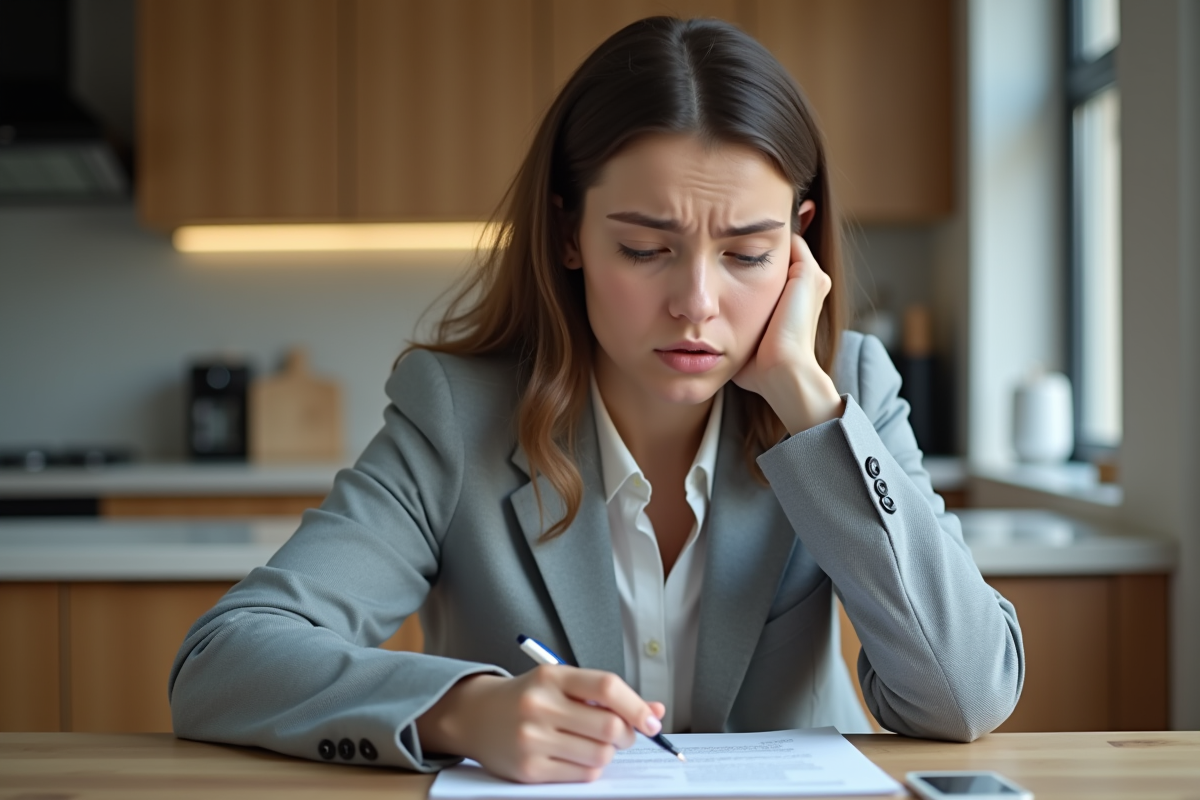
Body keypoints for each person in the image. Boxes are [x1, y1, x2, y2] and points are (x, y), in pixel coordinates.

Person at [169, 16, 1024, 784]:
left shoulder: (849, 394)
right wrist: (461, 710)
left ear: (799, 246)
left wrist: (807, 402)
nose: (695, 301)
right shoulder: (457, 412)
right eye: (646, 248)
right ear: (570, 233)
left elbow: (964, 696)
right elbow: (223, 659)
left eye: (747, 255)